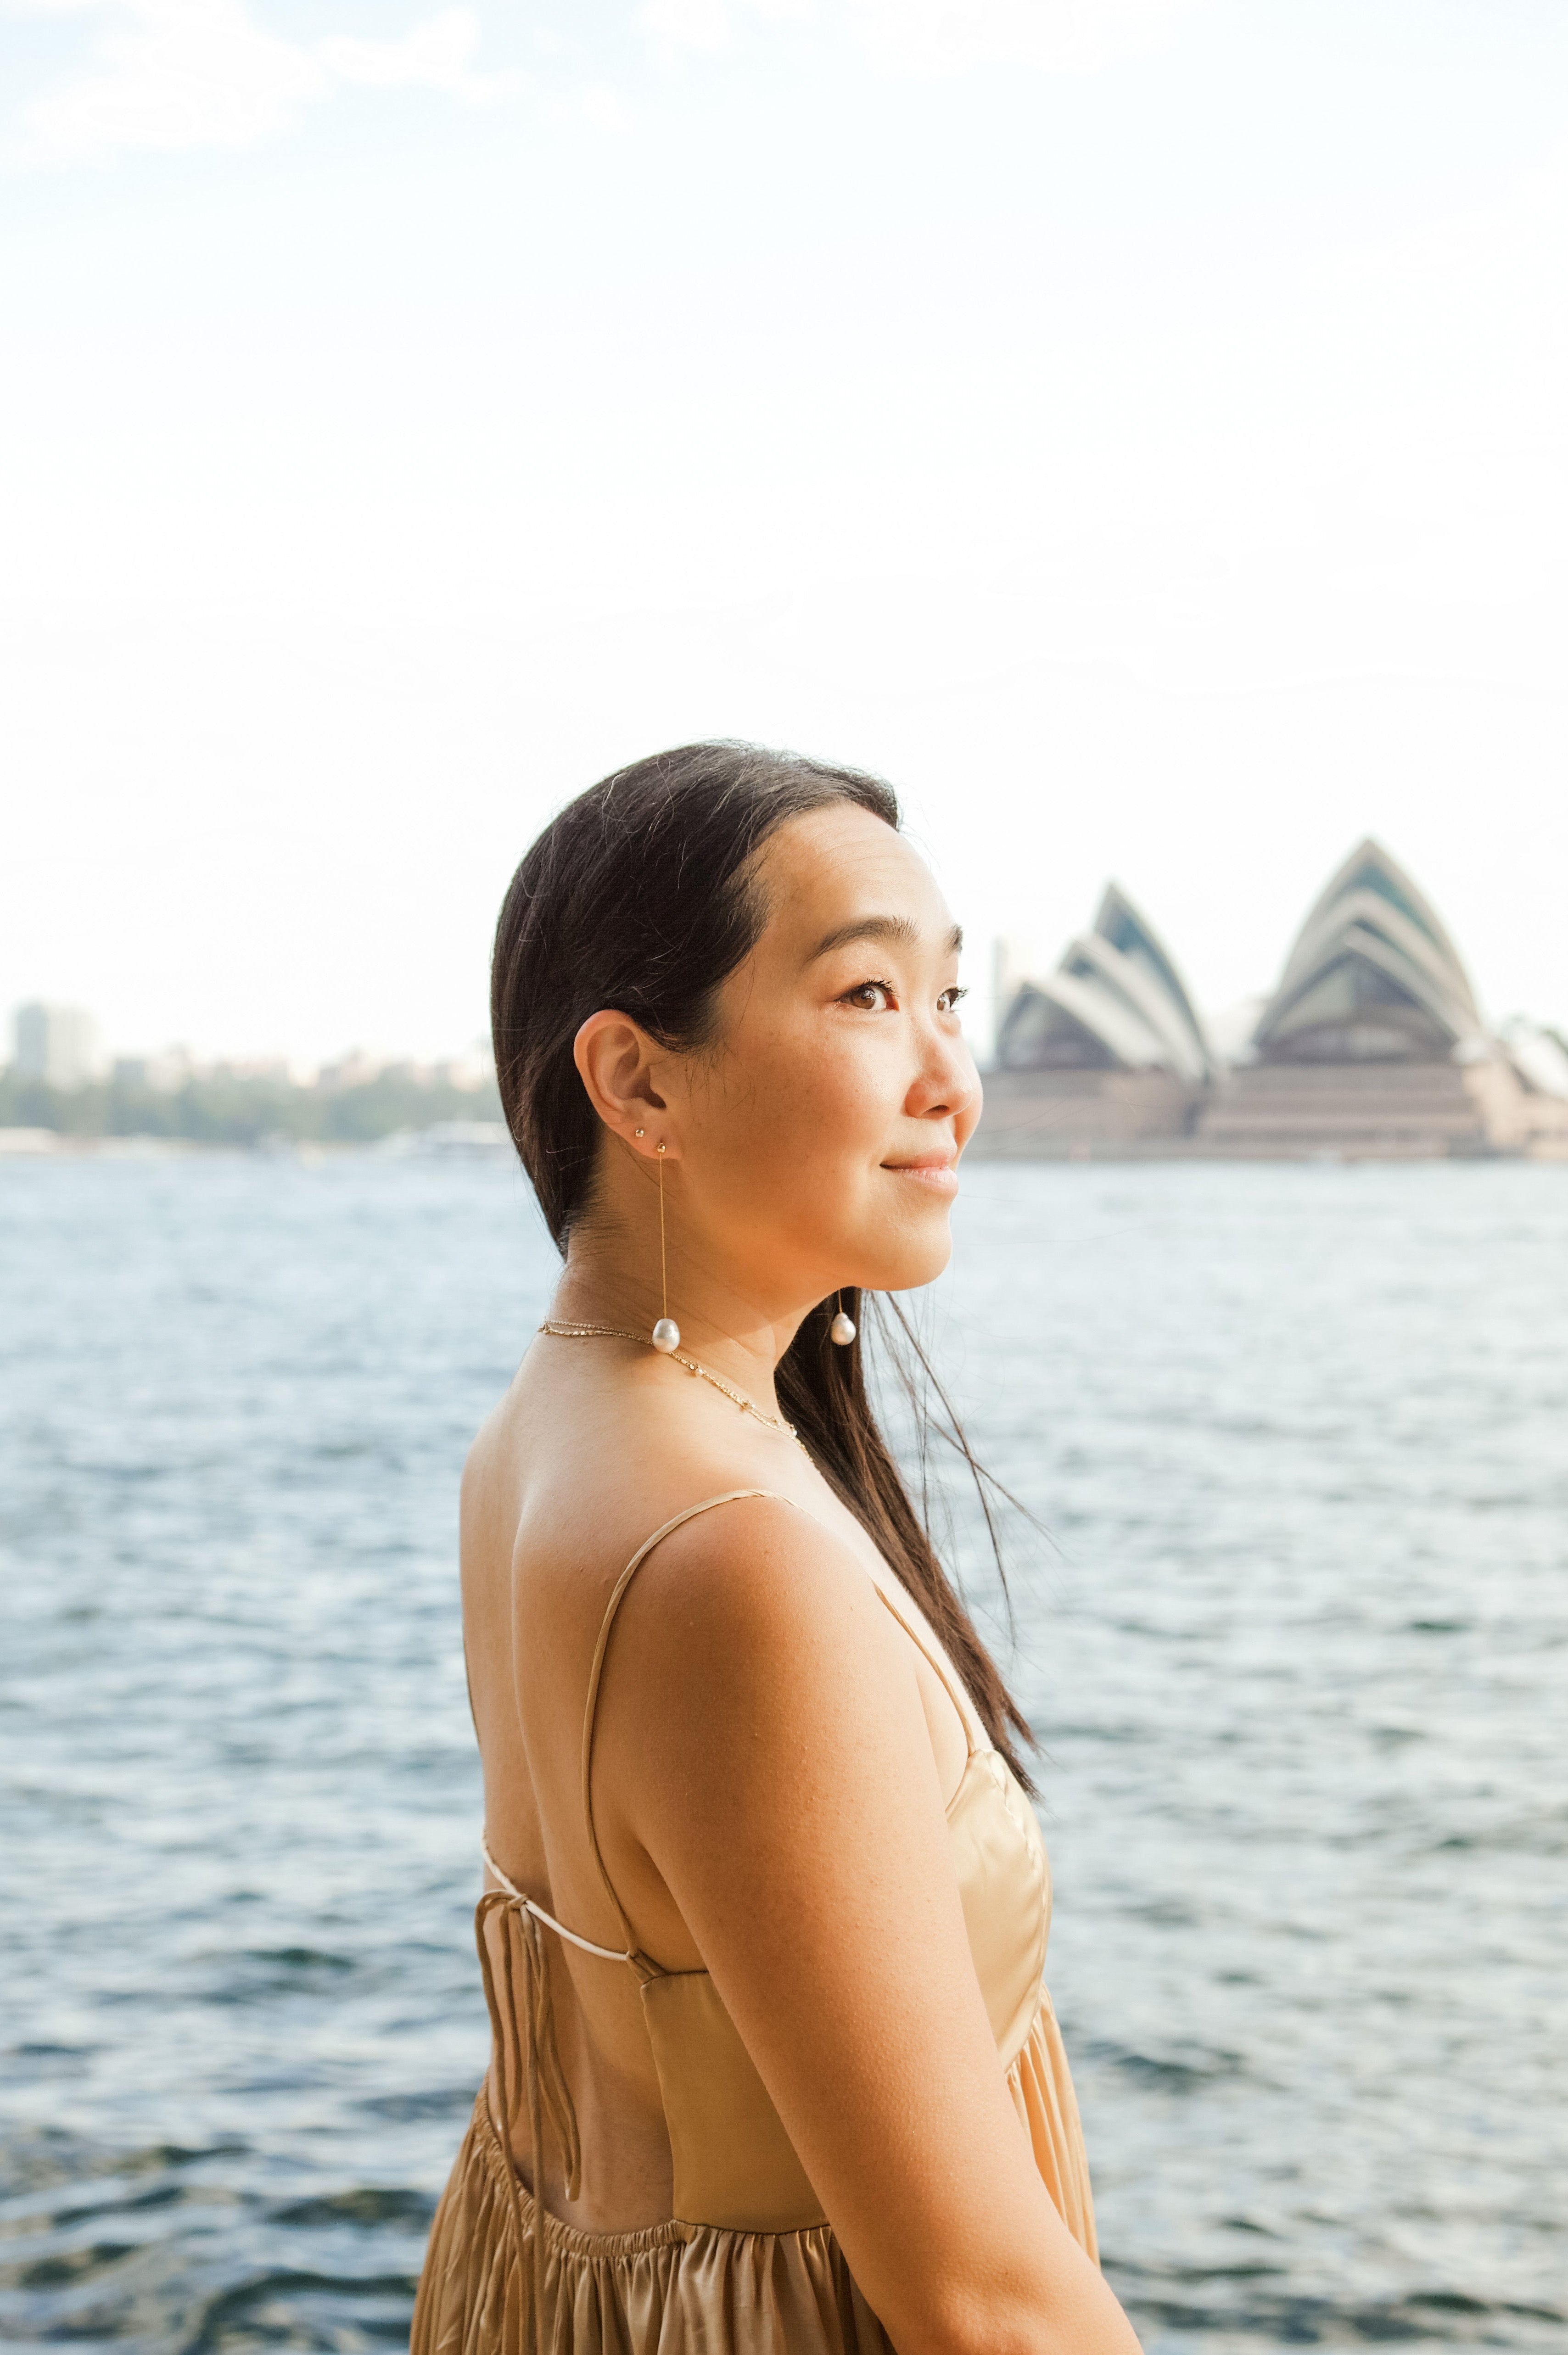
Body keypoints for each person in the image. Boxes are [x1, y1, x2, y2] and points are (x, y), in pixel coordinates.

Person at [411, 743, 1141, 2355]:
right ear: (639, 1081)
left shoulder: (543, 1437)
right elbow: (979, 2298)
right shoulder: (737, 1559)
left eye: (950, 998)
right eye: (869, 998)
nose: (950, 1076)